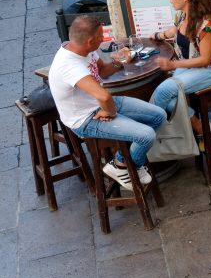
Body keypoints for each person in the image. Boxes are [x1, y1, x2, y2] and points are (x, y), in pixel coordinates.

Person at [48, 15, 165, 189]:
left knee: (159, 115)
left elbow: (102, 71)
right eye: (100, 36)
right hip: (85, 118)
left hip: (98, 104)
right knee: (146, 135)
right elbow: (104, 97)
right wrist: (109, 112)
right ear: (89, 41)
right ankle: (129, 166)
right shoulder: (69, 65)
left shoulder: (82, 49)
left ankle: (121, 163)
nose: (103, 39)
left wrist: (118, 62)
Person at [148, 0, 211, 136]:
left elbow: (205, 59)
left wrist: (173, 65)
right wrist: (156, 36)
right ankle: (198, 125)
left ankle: (149, 134)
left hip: (210, 70)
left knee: (163, 91)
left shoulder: (206, 26)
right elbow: (173, 31)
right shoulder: (181, 16)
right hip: (189, 67)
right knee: (165, 93)